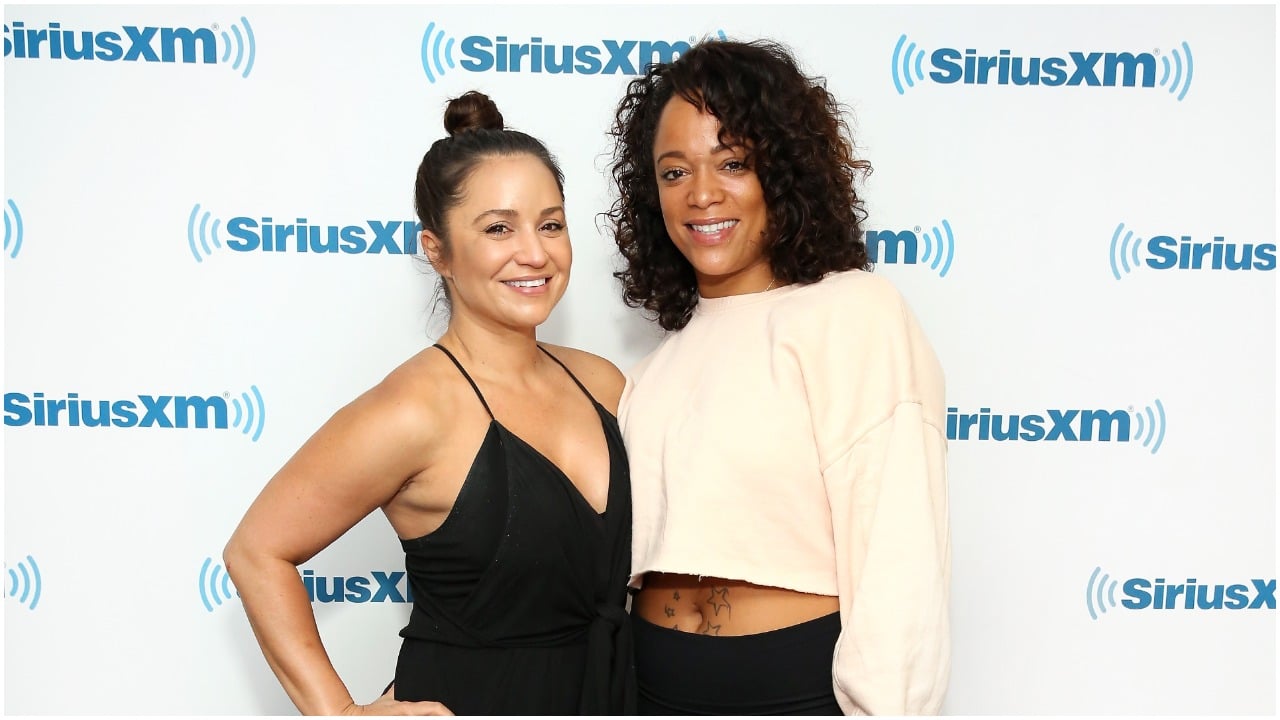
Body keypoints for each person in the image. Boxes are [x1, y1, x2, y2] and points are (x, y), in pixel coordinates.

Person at [223, 91, 636, 716]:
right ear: (437, 250)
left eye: (550, 223)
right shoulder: (413, 411)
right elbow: (256, 552)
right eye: (498, 228)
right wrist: (338, 713)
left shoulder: (603, 383)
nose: (535, 252)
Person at [605, 39, 951, 715]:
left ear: (785, 171)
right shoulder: (656, 368)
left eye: (733, 162)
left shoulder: (854, 312)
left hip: (791, 688)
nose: (702, 194)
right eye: (674, 173)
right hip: (651, 688)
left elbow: (899, 557)